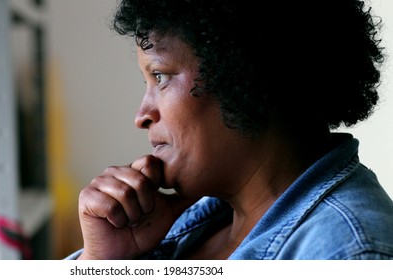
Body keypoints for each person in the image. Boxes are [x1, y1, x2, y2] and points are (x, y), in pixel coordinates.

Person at [67, 0, 393, 259]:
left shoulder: (349, 254)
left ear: (246, 72)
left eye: (160, 76)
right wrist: (100, 263)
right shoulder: (187, 224)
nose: (142, 115)